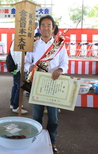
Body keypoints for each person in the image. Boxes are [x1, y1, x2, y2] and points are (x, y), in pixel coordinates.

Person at [25, 15, 68, 153]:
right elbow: (26, 62)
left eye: (49, 25)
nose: (46, 28)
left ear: (53, 28)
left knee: (53, 118)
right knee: (36, 116)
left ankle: (52, 141)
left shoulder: (59, 46)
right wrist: (30, 67)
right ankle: (36, 140)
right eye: (43, 25)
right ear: (39, 27)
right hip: (37, 84)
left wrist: (60, 70)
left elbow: (65, 63)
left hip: (53, 85)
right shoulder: (34, 45)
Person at [9, 41, 28, 114]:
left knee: (16, 86)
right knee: (20, 87)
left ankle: (13, 103)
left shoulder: (15, 41)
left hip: (14, 68)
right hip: (18, 68)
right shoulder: (19, 42)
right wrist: (22, 69)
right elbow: (18, 58)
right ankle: (16, 106)